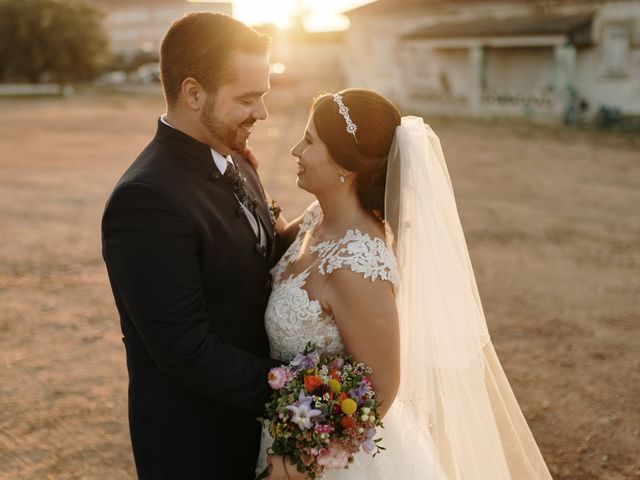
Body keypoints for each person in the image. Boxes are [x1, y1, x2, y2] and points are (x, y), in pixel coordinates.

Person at [257, 88, 553, 479]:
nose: (296, 149)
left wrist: (297, 462)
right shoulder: (317, 216)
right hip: (286, 431)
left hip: (324, 460)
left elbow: (381, 388)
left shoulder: (355, 265)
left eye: (309, 141)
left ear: (346, 165)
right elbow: (282, 248)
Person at [101, 13, 288, 479]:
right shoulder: (145, 199)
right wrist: (297, 390)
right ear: (193, 93)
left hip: (255, 433)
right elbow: (184, 349)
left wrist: (342, 216)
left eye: (262, 96)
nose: (261, 113)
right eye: (247, 99)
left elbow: (263, 253)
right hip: (198, 448)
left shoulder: (235, 159)